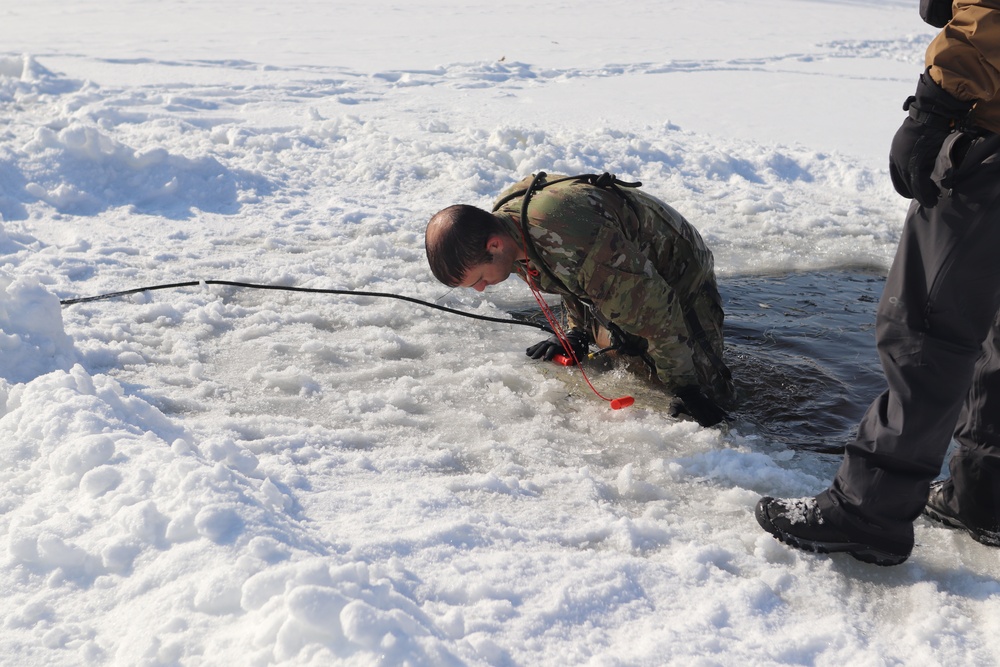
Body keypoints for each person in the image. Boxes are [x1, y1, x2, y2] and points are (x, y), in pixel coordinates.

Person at [756, 0, 1000, 565]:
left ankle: (867, 513)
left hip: (989, 137)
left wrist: (935, 106)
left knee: (926, 328)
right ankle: (986, 494)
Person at [424, 172, 736, 426]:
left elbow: (656, 312)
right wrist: (577, 332)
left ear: (493, 246)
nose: (480, 290)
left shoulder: (569, 238)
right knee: (628, 355)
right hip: (618, 265)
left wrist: (685, 387)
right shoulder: (507, 231)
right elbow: (566, 275)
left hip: (677, 269)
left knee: (708, 395)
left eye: (478, 280)